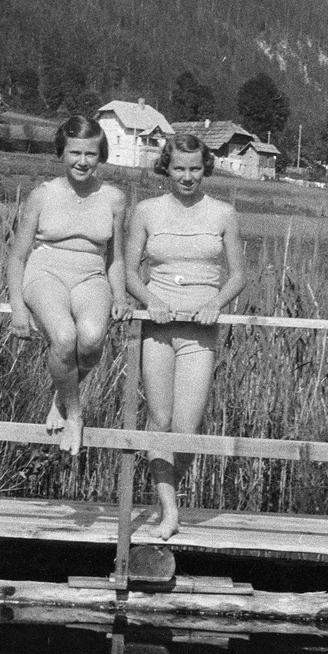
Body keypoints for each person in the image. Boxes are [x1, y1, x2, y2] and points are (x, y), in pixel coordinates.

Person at [125, 132, 246, 538]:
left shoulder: (223, 213)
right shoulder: (146, 211)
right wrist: (149, 298)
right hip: (158, 329)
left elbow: (239, 275)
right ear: (166, 167)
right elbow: (127, 272)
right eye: (179, 168)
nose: (188, 176)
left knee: (187, 428)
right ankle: (169, 509)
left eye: (195, 168)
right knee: (158, 420)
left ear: (205, 168)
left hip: (200, 332)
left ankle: (168, 496)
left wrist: (217, 302)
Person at [8, 115, 128, 456]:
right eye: (75, 153)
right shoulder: (42, 195)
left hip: (90, 275)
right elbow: (17, 257)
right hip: (45, 273)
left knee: (91, 339)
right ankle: (75, 414)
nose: (83, 162)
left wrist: (119, 295)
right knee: (63, 338)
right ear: (62, 153)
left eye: (91, 154)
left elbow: (115, 258)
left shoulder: (115, 199)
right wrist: (18, 306)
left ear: (101, 156)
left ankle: (61, 396)